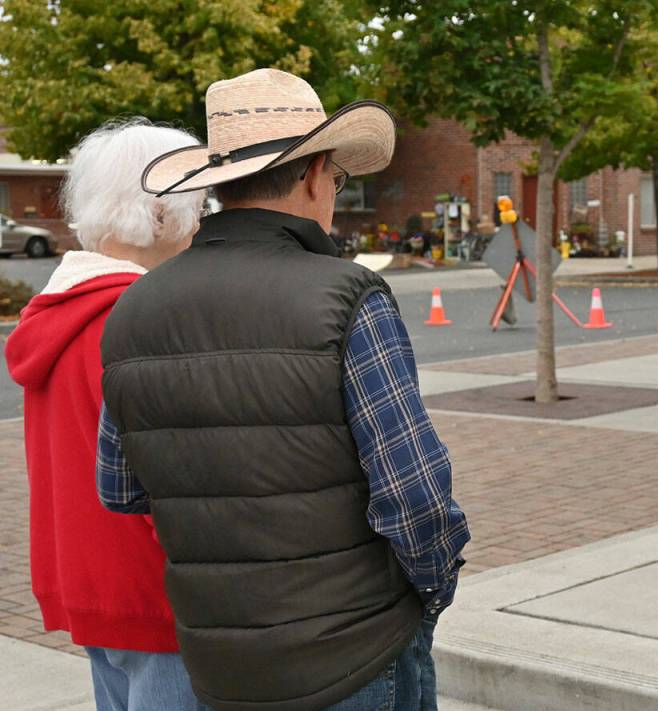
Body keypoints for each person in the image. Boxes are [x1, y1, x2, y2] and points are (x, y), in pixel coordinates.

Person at [96, 69, 469, 711]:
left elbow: (120, 488)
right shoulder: (347, 295)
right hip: (357, 650)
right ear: (313, 173)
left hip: (220, 664)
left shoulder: (135, 307)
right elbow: (417, 498)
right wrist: (428, 598)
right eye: (338, 178)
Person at [4, 120, 207, 709]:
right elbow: (166, 487)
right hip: (157, 597)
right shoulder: (139, 320)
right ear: (163, 215)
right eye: (196, 204)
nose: (201, 222)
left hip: (89, 585)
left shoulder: (57, 316)